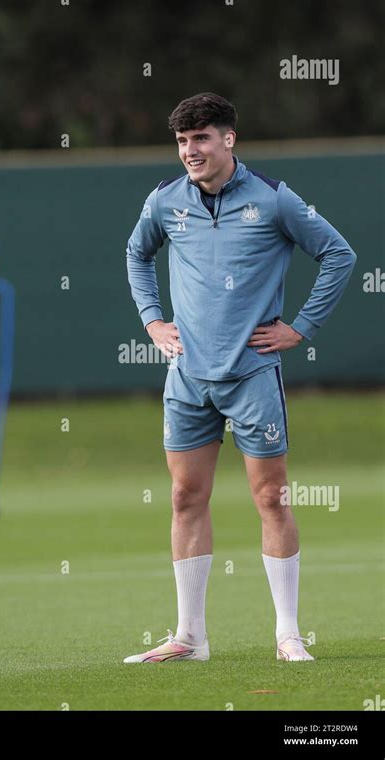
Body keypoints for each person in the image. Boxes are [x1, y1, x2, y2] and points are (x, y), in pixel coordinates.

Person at [124, 92, 356, 663]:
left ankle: (288, 634)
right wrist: (154, 322)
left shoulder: (274, 200)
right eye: (182, 141)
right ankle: (190, 638)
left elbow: (339, 253)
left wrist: (300, 328)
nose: (190, 151)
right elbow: (137, 253)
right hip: (188, 376)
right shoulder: (165, 200)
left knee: (271, 497)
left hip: (252, 372)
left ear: (229, 139)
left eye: (201, 138)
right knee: (184, 496)